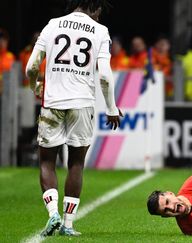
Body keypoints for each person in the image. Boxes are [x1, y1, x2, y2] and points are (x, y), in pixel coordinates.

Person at [25, 0, 122, 237]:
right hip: (82, 103)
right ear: (96, 7)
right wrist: (111, 107)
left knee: (47, 162)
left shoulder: (53, 25)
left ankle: (52, 214)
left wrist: (35, 86)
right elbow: (105, 76)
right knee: (76, 163)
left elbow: (31, 66)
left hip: (53, 102)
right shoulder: (100, 31)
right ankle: (68, 224)